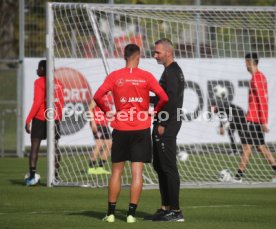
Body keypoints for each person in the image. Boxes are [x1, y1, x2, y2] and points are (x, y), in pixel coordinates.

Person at [93, 43, 168, 223]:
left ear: (125, 57)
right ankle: (131, 215)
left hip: (121, 127)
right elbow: (164, 97)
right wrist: (155, 112)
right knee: (137, 173)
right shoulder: (146, 76)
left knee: (116, 172)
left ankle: (110, 214)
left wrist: (106, 111)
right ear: (138, 57)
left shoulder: (115, 76)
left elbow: (97, 96)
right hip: (141, 129)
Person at [145, 38, 185, 222]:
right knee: (160, 166)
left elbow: (172, 101)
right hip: (165, 121)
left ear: (168, 52)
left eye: (158, 52)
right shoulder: (169, 71)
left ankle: (176, 211)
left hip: (167, 124)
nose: (155, 55)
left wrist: (163, 123)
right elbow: (163, 98)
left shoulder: (172, 72)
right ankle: (165, 207)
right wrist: (143, 98)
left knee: (168, 167)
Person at [233, 53, 276, 183]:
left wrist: (263, 121)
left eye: (246, 62)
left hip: (253, 119)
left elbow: (262, 101)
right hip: (256, 119)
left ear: (249, 62)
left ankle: (238, 177)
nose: (245, 65)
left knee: (247, 147)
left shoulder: (257, 78)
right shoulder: (258, 77)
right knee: (261, 147)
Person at [25, 60, 64, 186]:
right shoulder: (58, 83)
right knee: (55, 147)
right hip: (54, 118)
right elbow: (61, 103)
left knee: (35, 147)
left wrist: (28, 119)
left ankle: (32, 177)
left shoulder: (39, 82)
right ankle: (56, 177)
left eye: (38, 68)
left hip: (40, 118)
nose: (37, 71)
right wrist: (58, 117)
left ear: (43, 68)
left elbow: (37, 103)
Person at [87, 94, 113, 175]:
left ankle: (100, 167)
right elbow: (90, 109)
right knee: (99, 144)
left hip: (104, 124)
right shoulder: (99, 95)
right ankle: (91, 168)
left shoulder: (112, 97)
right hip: (97, 123)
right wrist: (93, 122)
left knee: (109, 144)